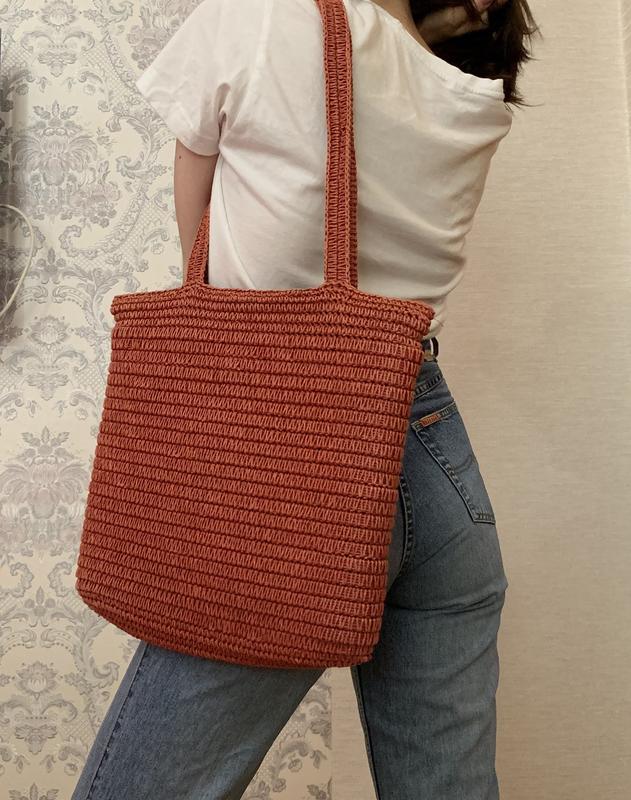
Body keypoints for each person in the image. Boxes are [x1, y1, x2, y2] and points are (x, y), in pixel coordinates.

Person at [71, 1, 539, 798]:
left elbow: (198, 197)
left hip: (292, 473)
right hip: (434, 461)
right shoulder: (465, 86)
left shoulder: (268, 13)